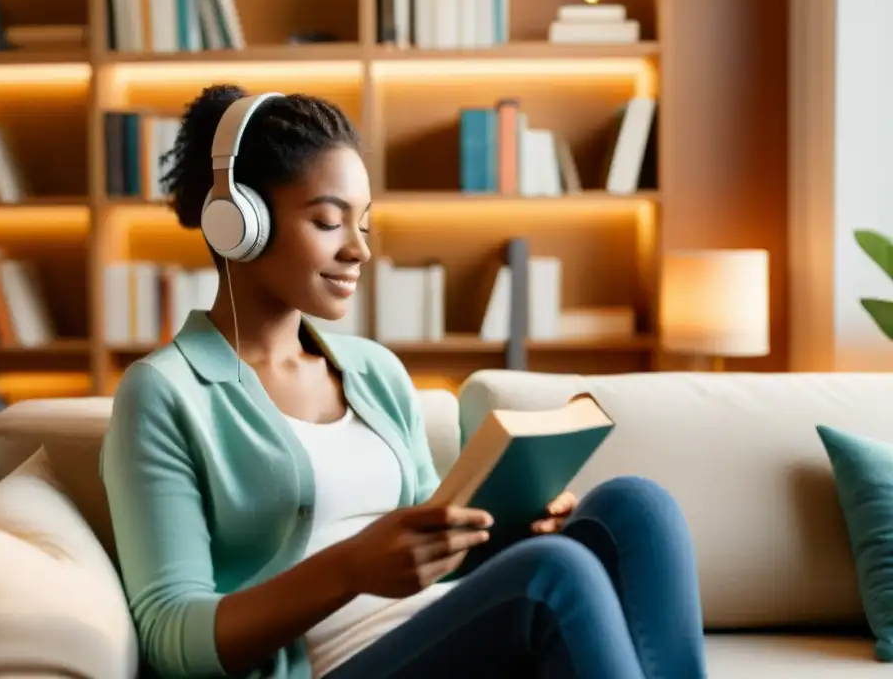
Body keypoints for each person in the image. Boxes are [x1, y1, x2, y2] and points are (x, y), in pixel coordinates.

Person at [100, 84, 708, 679]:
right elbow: (168, 635)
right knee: (553, 576)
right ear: (240, 223)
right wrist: (348, 571)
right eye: (327, 221)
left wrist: (505, 531)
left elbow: (436, 561)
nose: (359, 250)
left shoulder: (374, 372)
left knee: (636, 508)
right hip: (330, 664)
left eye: (363, 224)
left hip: (439, 635)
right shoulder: (164, 393)